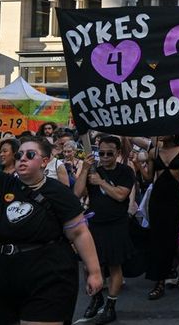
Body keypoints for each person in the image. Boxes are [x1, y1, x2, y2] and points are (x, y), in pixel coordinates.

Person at [0, 134, 103, 323]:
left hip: (49, 275)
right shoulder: (1, 183)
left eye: (30, 154)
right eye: (19, 155)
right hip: (3, 275)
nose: (22, 158)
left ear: (44, 161)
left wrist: (95, 272)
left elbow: (80, 233)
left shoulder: (59, 193)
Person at [76, 135, 136, 324]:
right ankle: (96, 299)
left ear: (118, 153)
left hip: (116, 224)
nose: (105, 157)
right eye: (101, 153)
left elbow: (120, 195)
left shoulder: (125, 171)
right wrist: (85, 170)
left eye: (110, 153)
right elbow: (76, 194)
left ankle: (110, 306)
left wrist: (101, 182)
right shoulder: (93, 170)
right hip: (95, 224)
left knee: (114, 265)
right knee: (89, 266)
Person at [137, 134, 179, 299]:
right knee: (157, 239)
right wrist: (138, 164)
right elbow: (149, 178)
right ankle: (159, 282)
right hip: (157, 199)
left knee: (172, 238)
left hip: (174, 198)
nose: (161, 134)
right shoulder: (153, 152)